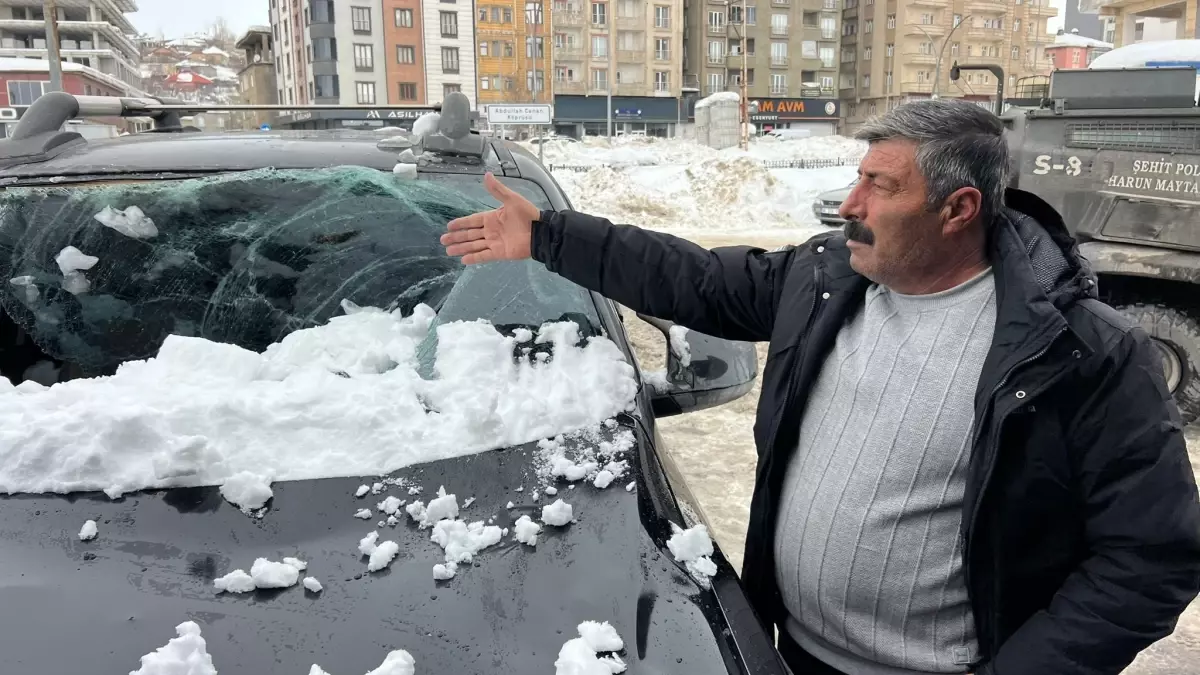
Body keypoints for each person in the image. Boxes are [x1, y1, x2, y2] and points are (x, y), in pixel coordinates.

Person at [442, 99, 1200, 675]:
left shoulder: (1082, 352)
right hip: (790, 656)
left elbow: (1150, 558)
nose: (849, 205)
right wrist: (549, 237)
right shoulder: (826, 277)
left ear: (958, 209)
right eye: (857, 177)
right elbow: (696, 279)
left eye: (879, 186)